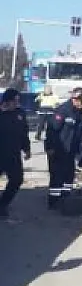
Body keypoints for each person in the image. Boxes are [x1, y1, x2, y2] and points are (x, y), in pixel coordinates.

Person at [43, 87, 82, 209]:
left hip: (71, 150)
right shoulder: (63, 110)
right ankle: (54, 202)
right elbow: (51, 130)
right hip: (58, 149)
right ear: (75, 100)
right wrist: (50, 148)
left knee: (69, 175)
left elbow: (80, 130)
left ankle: (66, 197)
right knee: (57, 176)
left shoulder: (80, 112)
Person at [0, 87, 32, 218]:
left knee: (17, 180)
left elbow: (24, 133)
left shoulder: (20, 114)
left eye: (18, 101)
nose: (17, 103)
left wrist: (27, 148)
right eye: (14, 101)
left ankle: (3, 204)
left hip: (13, 154)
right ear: (7, 101)